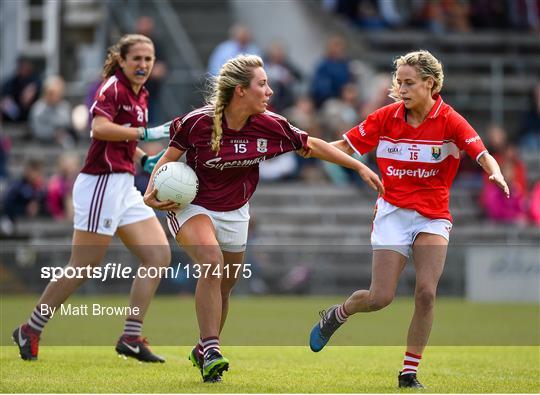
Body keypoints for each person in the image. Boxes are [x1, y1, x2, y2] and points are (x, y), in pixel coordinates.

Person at [143, 54, 384, 383]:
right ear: (241, 90)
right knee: (211, 261)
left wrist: (357, 165)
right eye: (263, 84)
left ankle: (203, 348)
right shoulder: (198, 123)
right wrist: (151, 193)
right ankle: (213, 349)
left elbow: (310, 145)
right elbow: (168, 159)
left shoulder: (271, 125)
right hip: (192, 207)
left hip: (235, 211)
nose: (270, 91)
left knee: (225, 287)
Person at [308, 50, 509, 389]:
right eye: (398, 82)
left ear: (430, 84)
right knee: (380, 298)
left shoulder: (450, 120)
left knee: (426, 294)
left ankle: (408, 372)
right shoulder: (386, 117)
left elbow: (482, 152)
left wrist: (496, 173)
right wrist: (308, 147)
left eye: (409, 83)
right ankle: (338, 313)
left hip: (433, 216)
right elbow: (344, 144)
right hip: (393, 214)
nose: (401, 88)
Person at [12, 34, 171, 363]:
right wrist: (143, 134)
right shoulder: (112, 87)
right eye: (137, 58)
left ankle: (130, 336)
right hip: (101, 182)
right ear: (123, 60)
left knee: (158, 255)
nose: (143, 64)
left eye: (148, 58)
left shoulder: (141, 94)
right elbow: (99, 128)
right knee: (83, 265)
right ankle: (31, 328)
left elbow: (122, 138)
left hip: (124, 183)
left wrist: (142, 158)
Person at [29, 75, 77, 147]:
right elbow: (37, 130)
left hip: (62, 146)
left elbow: (68, 125)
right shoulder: (38, 108)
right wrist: (53, 134)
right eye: (52, 93)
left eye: (59, 92)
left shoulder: (65, 106)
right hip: (42, 146)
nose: (56, 96)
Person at [1, 56, 41, 122]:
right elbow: (5, 97)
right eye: (21, 66)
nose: (23, 69)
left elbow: (41, 86)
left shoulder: (35, 79)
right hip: (14, 115)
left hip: (31, 115)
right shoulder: (11, 81)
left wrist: (32, 89)